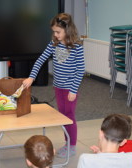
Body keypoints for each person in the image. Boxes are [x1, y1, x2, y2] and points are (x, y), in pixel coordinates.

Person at [22, 13, 85, 158]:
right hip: (58, 87)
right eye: (54, 32)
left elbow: (80, 69)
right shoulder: (54, 44)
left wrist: (73, 90)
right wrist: (31, 77)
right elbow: (40, 60)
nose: (55, 35)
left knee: (69, 117)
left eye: (58, 32)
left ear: (67, 30)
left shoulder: (77, 46)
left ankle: (72, 146)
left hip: (70, 88)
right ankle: (66, 143)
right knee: (62, 116)